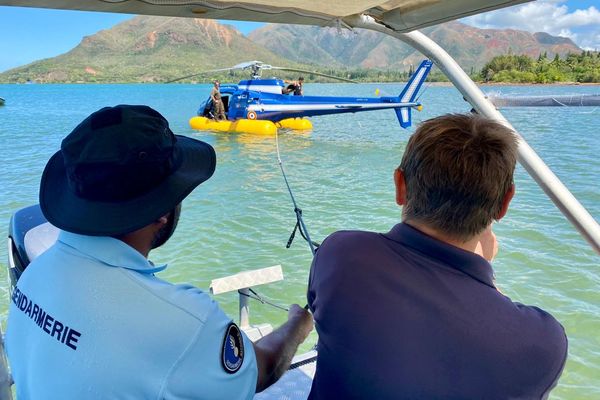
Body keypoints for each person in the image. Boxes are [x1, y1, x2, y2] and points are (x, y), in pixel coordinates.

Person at [5, 105, 313, 399]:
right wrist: (297, 326)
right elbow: (265, 369)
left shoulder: (34, 275)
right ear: (163, 212)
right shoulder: (185, 323)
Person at [307, 113, 567, 399]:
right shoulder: (542, 343)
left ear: (400, 185)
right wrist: (486, 276)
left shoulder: (340, 254)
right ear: (504, 203)